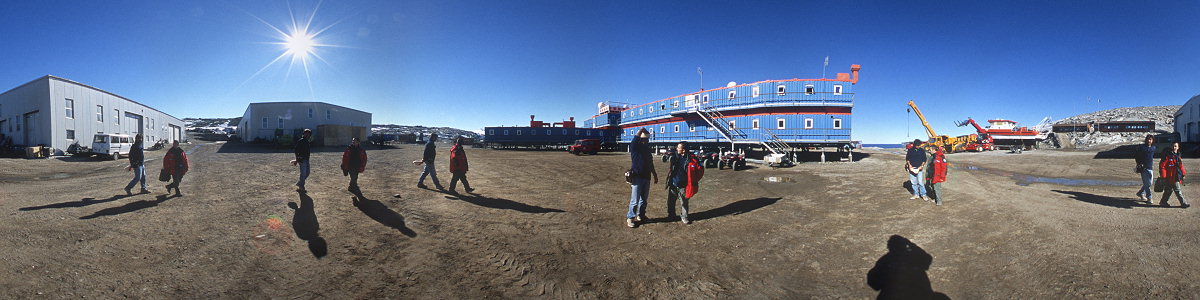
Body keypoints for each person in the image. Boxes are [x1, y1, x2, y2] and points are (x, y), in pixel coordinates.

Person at [626, 128, 658, 228]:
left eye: (647, 140)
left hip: (646, 177)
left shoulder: (647, 150)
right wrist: (642, 129)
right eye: (644, 139)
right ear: (640, 140)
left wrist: (655, 175)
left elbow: (651, 163)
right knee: (635, 200)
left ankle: (641, 216)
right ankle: (630, 218)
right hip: (637, 177)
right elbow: (635, 139)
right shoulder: (635, 148)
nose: (646, 141)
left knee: (643, 200)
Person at [666, 141, 693, 224]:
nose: (677, 148)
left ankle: (684, 216)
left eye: (679, 147)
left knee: (684, 202)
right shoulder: (675, 156)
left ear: (684, 150)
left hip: (683, 184)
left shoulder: (689, 159)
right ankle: (671, 215)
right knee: (670, 201)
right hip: (673, 183)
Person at [1159, 142, 1188, 208]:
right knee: (1177, 190)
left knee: (1168, 190)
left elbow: (1181, 166)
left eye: (1175, 146)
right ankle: (1183, 203)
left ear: (1178, 147)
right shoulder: (1167, 156)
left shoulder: (1178, 156)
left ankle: (1163, 202)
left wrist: (1183, 174)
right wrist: (1164, 176)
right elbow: (1162, 166)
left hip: (1176, 176)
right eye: (1173, 146)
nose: (1174, 148)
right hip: (1170, 177)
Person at [1134, 135, 1156, 202]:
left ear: (1152, 141)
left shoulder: (1153, 148)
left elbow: (1151, 151)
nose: (1149, 141)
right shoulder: (1142, 148)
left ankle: (1141, 193)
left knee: (1149, 183)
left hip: (1150, 167)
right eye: (1148, 139)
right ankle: (1149, 198)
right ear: (1146, 140)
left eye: (1151, 139)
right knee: (1147, 184)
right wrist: (1139, 164)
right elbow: (1136, 156)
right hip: (1143, 168)